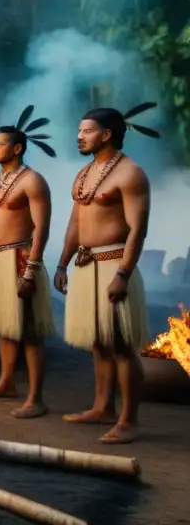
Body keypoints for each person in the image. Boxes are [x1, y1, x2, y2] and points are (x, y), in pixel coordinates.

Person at [54, 102, 157, 444]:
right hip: (85, 265)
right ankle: (102, 408)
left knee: (123, 347)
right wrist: (62, 262)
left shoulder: (130, 174)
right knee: (99, 343)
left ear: (107, 134)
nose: (79, 137)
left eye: (87, 131)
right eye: (79, 131)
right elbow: (75, 222)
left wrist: (123, 274)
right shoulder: (84, 174)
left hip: (114, 263)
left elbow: (137, 229)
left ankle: (129, 420)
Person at [0, 105, 56, 418]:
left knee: (29, 329)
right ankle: (6, 382)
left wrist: (31, 269)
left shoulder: (33, 181)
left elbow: (42, 228)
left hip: (19, 257)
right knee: (4, 325)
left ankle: (36, 398)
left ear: (17, 148)